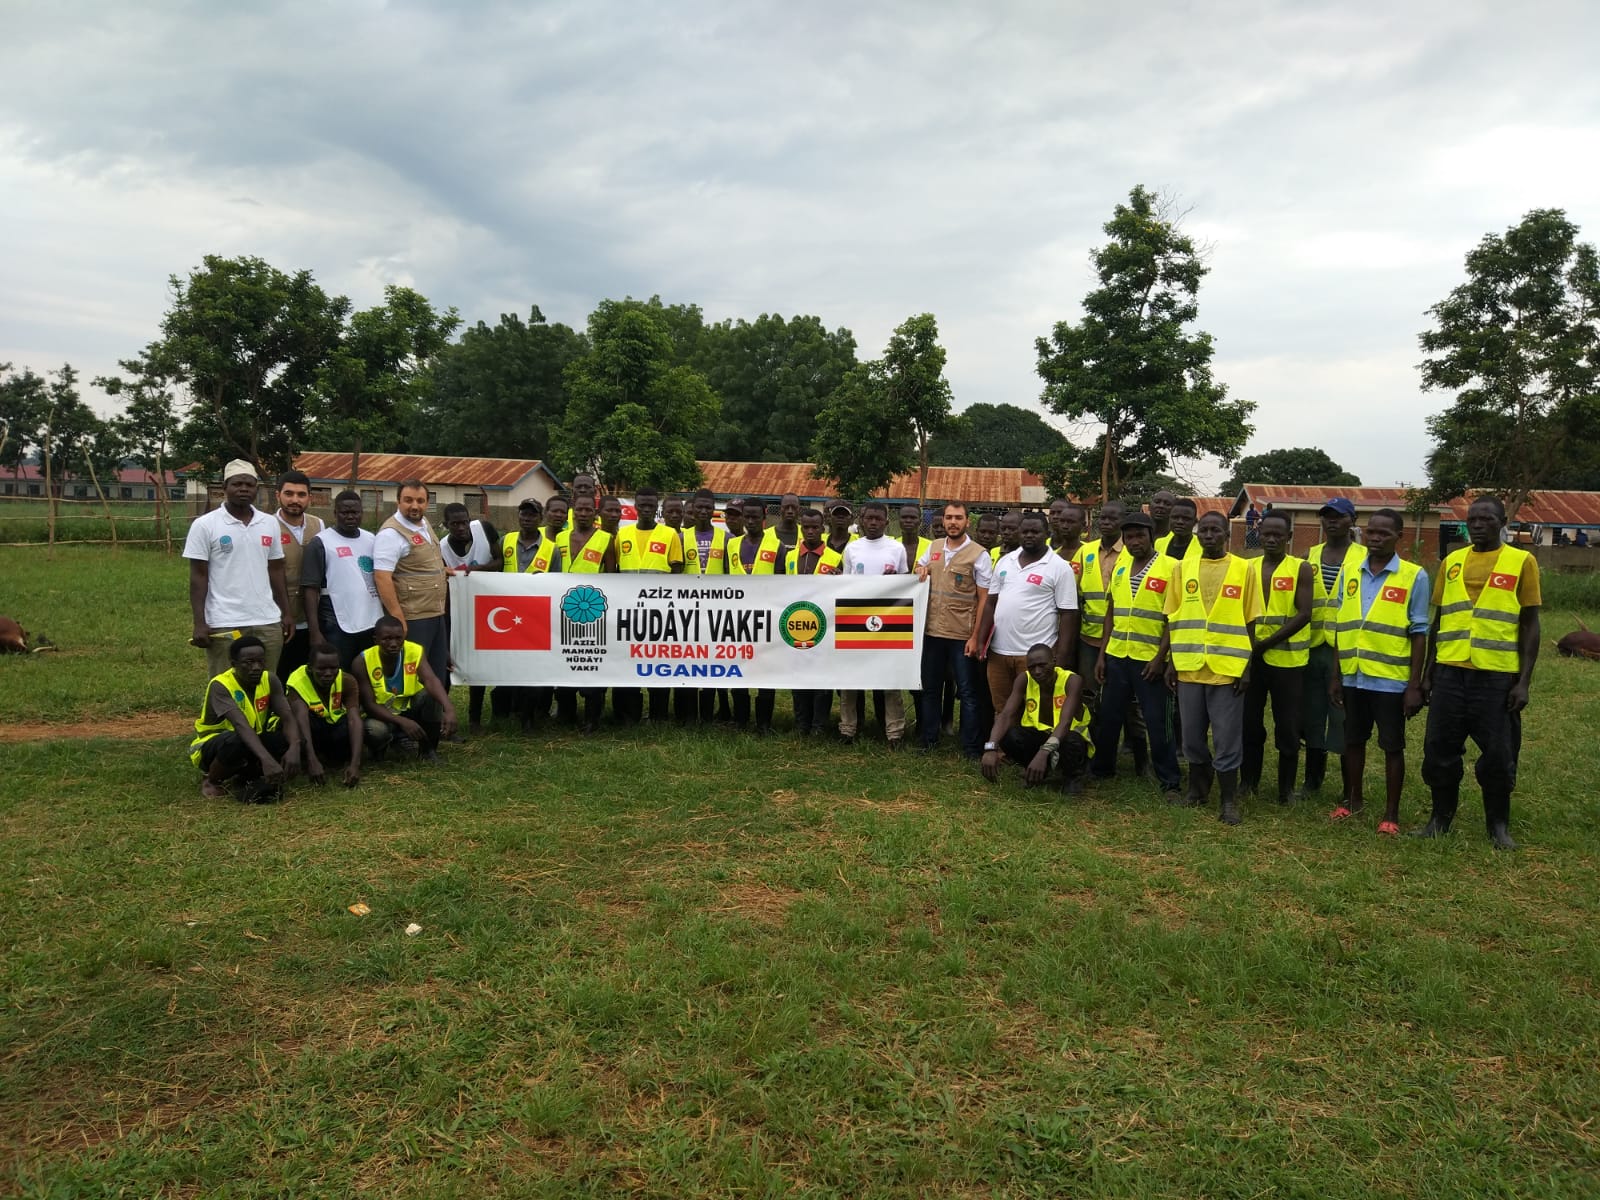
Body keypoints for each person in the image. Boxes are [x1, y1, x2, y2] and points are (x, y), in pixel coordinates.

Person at [1417, 496, 1541, 849]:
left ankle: (1498, 826)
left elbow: (1530, 624)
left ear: (1502, 522)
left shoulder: (1521, 561)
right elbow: (1439, 622)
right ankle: (1439, 820)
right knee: (1439, 749)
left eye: (1486, 518)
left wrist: (1523, 682)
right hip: (1449, 674)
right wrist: (1428, 674)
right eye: (1472, 519)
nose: (1477, 524)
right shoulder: (1452, 562)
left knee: (1499, 755)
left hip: (1496, 677)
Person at [1328, 509, 1429, 836]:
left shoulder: (1414, 576)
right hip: (1353, 676)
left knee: (1391, 746)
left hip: (1390, 681)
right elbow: (1341, 626)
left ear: (1399, 536)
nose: (1375, 538)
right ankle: (1352, 800)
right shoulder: (1349, 572)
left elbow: (1419, 632)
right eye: (1371, 532)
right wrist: (1336, 676)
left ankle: (1390, 814)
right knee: (1353, 740)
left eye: (1384, 533)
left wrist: (1414, 685)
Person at [1164, 511, 1262, 824]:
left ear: (1226, 535)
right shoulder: (1182, 568)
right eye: (1203, 530)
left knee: (1226, 738)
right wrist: (1171, 662)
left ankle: (1228, 800)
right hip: (1189, 666)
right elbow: (1173, 617)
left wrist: (1246, 666)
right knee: (1191, 737)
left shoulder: (1244, 569)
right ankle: (1197, 790)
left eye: (1215, 530)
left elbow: (1250, 621)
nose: (1209, 535)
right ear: (1197, 535)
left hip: (1227, 669)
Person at [1092, 513, 1182, 801]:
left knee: (1158, 721)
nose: (1134, 542)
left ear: (1151, 536)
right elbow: (1111, 612)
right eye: (1128, 537)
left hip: (1150, 660)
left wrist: (1161, 657)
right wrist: (1102, 654)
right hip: (1118, 655)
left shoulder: (1171, 567)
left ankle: (1169, 780)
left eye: (1139, 536)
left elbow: (1173, 618)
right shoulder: (1120, 567)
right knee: (1109, 717)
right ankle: (1102, 769)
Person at [184, 459, 292, 678]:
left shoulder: (269, 523)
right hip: (225, 621)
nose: (243, 489)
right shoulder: (205, 525)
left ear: (256, 489)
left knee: (266, 682)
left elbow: (276, 570)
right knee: (225, 685)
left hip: (267, 620)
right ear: (224, 488)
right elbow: (198, 576)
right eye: (237, 484)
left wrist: (286, 613)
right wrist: (199, 622)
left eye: (249, 484)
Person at [1241, 511, 1312, 804]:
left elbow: (1304, 614)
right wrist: (1251, 648)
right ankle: (1248, 782)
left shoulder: (1300, 568)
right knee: (1249, 724)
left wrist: (1266, 643)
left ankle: (1286, 790)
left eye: (1278, 535)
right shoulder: (1247, 568)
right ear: (1258, 534)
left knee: (1288, 727)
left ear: (1289, 537)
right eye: (1266, 534)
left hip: (1288, 662)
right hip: (1252, 660)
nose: (1271, 539)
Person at [978, 511, 1078, 719]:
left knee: (1037, 710)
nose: (1029, 536)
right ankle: (1004, 741)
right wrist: (980, 640)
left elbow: (1068, 614)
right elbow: (990, 604)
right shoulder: (1005, 561)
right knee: (1003, 709)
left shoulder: (1060, 567)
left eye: (1035, 532)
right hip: (999, 652)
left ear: (1047, 534)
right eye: (1025, 531)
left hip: (1036, 656)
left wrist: (1062, 656)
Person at [1301, 498, 1368, 800]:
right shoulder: (1310, 555)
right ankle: (1312, 781)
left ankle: (1348, 787)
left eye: (1339, 516)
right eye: (1327, 516)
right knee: (1312, 714)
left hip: (1347, 648)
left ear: (1352, 519)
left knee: (1343, 717)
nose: (1332, 521)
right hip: (1314, 646)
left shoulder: (1364, 557)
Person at [914, 501, 992, 757]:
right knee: (930, 689)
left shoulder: (979, 554)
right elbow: (919, 569)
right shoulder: (933, 547)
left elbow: (984, 599)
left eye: (958, 518)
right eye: (949, 517)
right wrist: (921, 569)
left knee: (967, 692)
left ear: (967, 521)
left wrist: (976, 637)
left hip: (962, 635)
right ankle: (929, 739)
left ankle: (971, 746)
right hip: (932, 632)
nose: (953, 522)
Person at [189, 634, 300, 803]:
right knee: (237, 741)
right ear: (234, 664)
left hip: (252, 740)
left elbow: (287, 717)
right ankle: (211, 779)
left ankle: (249, 774)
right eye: (248, 662)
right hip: (216, 744)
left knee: (289, 736)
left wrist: (294, 748)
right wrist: (267, 760)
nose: (256, 667)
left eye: (260, 661)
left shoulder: (270, 679)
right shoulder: (220, 685)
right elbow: (240, 725)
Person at [839, 499, 910, 748]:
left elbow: (906, 584)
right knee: (850, 678)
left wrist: (896, 579)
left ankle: (895, 732)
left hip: (888, 623)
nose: (873, 522)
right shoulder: (852, 549)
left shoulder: (896, 548)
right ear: (861, 520)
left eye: (878, 519)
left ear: (886, 522)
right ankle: (847, 729)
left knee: (890, 679)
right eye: (868, 518)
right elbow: (844, 585)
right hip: (855, 620)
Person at [372, 479, 450, 689]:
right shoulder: (390, 534)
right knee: (414, 675)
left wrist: (444, 571)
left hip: (435, 612)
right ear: (398, 501)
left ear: (427, 503)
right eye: (408, 500)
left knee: (436, 671)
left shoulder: (424, 524)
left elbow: (421, 564)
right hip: (413, 616)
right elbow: (382, 577)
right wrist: (398, 617)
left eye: (420, 501)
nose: (414, 506)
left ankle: (435, 711)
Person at [981, 642, 1091, 792]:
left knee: (1071, 740)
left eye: (1042, 665)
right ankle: (1037, 771)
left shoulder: (1072, 681)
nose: (1037, 671)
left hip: (1067, 736)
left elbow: (1065, 723)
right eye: (1032, 667)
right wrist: (991, 747)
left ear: (1054, 661)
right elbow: (1006, 715)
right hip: (1042, 735)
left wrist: (1043, 753)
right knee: (1009, 736)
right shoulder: (1024, 680)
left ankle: (1073, 776)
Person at [616, 486, 682, 725]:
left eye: (651, 506)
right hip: (629, 612)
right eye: (642, 505)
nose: (646, 509)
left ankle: (658, 715)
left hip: (660, 613)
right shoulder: (622, 535)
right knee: (629, 662)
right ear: (635, 506)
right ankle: (630, 715)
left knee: (659, 663)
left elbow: (677, 572)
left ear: (657, 508)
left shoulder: (670, 535)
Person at [357, 615, 458, 761]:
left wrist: (449, 708)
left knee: (432, 696)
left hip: (409, 709)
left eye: (398, 638)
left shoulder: (414, 651)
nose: (393, 643)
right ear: (375, 640)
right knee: (375, 730)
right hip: (381, 715)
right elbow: (369, 705)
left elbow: (431, 680)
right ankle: (379, 749)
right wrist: (401, 722)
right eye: (387, 639)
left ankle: (428, 750)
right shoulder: (362, 661)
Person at [554, 495, 616, 731]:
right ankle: (566, 713)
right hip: (562, 607)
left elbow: (611, 576)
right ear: (573, 510)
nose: (583, 513)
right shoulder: (560, 538)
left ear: (595, 513)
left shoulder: (606, 539)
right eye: (579, 509)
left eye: (588, 510)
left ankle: (592, 718)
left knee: (592, 662)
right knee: (564, 659)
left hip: (592, 608)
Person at [302, 490, 382, 669]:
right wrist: (314, 631)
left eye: (355, 512)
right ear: (335, 513)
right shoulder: (320, 542)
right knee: (340, 672)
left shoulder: (372, 539)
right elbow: (310, 589)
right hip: (336, 622)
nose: (350, 517)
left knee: (368, 672)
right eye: (345, 512)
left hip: (371, 620)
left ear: (362, 513)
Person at [787, 508, 843, 735]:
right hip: (796, 623)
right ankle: (801, 722)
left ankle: (819, 724)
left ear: (823, 528)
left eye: (815, 527)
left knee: (822, 677)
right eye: (806, 527)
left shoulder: (835, 557)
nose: (810, 531)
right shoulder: (790, 556)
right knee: (798, 675)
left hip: (824, 625)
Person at [284, 643, 365, 787]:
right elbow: (301, 718)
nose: (328, 673)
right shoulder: (296, 682)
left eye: (333, 668)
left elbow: (354, 719)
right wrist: (312, 760)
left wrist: (355, 764)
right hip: (309, 729)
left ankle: (338, 758)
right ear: (310, 667)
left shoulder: (347, 680)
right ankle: (310, 758)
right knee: (300, 723)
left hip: (331, 727)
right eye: (321, 669)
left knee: (363, 727)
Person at [272, 470, 324, 677]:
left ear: (309, 497)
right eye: (289, 494)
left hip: (312, 616)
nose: (295, 500)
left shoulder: (318, 524)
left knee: (307, 674)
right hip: (278, 616)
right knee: (280, 673)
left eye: (301, 494)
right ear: (278, 495)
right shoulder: (267, 526)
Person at [685, 487, 731, 721]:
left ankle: (715, 709)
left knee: (715, 660)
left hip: (716, 610)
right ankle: (691, 711)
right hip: (687, 610)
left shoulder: (726, 539)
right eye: (699, 507)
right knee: (691, 659)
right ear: (692, 509)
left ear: (714, 510)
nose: (703, 511)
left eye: (708, 507)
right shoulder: (681, 537)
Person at [442, 503, 502, 573]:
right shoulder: (442, 548)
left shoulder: (484, 529)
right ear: (446, 525)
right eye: (455, 524)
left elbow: (500, 561)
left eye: (464, 522)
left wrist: (481, 568)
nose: (461, 528)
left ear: (469, 521)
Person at [1157, 497, 1202, 562]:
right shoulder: (1159, 544)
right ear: (1169, 519)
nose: (1180, 522)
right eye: (1175, 517)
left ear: (1195, 522)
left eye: (1186, 519)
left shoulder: (1203, 547)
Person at [898, 504, 931, 574]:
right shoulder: (891, 546)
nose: (908, 520)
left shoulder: (931, 546)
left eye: (913, 518)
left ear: (920, 521)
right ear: (899, 520)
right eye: (904, 517)